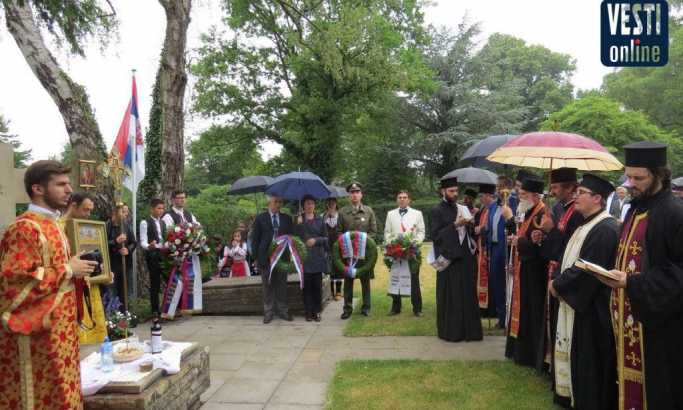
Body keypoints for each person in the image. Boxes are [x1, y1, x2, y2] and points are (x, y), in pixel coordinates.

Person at [0, 160, 99, 409]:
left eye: (69, 184)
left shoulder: (53, 225)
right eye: (61, 184)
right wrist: (68, 269)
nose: (69, 190)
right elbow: (13, 282)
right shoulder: (25, 228)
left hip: (61, 333)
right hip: (37, 339)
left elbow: (57, 274)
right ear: (38, 189)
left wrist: (75, 269)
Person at [596, 142, 683, 410]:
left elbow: (678, 273)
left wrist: (630, 282)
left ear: (660, 175)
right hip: (627, 318)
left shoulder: (674, 213)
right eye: (628, 176)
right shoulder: (635, 209)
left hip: (660, 328)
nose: (630, 184)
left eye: (638, 178)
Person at [546, 174, 619, 409]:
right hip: (579, 305)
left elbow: (587, 270)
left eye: (582, 193)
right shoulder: (585, 224)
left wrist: (558, 285)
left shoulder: (605, 229)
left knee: (590, 360)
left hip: (592, 309)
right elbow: (570, 261)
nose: (576, 196)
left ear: (597, 198)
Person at [535, 168, 583, 373]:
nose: (552, 191)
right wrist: (543, 236)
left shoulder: (576, 212)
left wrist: (550, 231)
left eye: (555, 187)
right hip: (555, 271)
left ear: (570, 187)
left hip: (566, 275)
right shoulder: (562, 208)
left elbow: (567, 248)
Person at [430, 176, 483, 342]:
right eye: (451, 191)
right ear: (443, 191)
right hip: (450, 258)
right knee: (452, 295)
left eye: (456, 191)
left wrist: (472, 224)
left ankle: (470, 332)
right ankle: (452, 332)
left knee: (467, 293)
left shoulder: (462, 208)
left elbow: (471, 233)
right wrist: (455, 225)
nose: (454, 194)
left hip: (466, 257)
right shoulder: (436, 211)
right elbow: (436, 236)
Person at [505, 176, 549, 367]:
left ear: (535, 196)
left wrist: (519, 242)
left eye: (523, 194)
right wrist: (516, 239)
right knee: (523, 309)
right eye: (519, 193)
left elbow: (539, 244)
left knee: (532, 310)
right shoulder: (528, 210)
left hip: (535, 272)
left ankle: (531, 354)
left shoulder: (542, 213)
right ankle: (519, 351)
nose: (519, 197)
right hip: (524, 268)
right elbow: (526, 236)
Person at [59, 191, 111, 345]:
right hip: (70, 289)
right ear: (73, 205)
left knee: (94, 342)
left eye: (90, 210)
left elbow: (93, 254)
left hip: (89, 286)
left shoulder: (85, 227)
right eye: (85, 210)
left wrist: (104, 271)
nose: (89, 214)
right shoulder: (57, 228)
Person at [252, 195, 294, 323]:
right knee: (267, 286)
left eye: (280, 202)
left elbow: (291, 238)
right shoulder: (260, 218)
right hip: (265, 258)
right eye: (276, 201)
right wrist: (255, 257)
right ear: (269, 202)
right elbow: (255, 240)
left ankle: (283, 311)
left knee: (282, 285)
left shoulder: (287, 219)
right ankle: (268, 312)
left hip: (282, 258)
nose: (278, 204)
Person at [339, 182, 378, 319]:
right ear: (349, 195)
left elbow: (373, 232)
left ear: (361, 194)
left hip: (364, 255)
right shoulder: (343, 212)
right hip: (348, 255)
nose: (354, 194)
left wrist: (362, 240)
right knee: (348, 282)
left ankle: (366, 307)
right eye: (352, 192)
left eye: (357, 192)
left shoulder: (368, 211)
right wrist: (347, 242)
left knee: (365, 282)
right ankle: (347, 309)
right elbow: (339, 232)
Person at [384, 190, 426, 317]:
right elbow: (387, 232)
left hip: (412, 250)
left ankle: (417, 308)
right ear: (397, 200)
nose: (402, 199)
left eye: (405, 197)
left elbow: (421, 232)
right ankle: (396, 307)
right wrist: (392, 243)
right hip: (395, 252)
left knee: (414, 279)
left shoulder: (417, 214)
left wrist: (414, 243)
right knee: (396, 278)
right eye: (400, 197)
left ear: (409, 200)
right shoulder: (390, 214)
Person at [295, 195, 329, 322]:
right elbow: (295, 238)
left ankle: (317, 311)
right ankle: (308, 312)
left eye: (312, 203)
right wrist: (298, 225)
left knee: (317, 286)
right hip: (304, 258)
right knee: (306, 287)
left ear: (314, 205)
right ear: (303, 205)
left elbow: (326, 238)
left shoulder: (320, 220)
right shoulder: (299, 220)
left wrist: (315, 240)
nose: (309, 205)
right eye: (307, 203)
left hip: (317, 258)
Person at [106, 202, 137, 310]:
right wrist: (115, 241)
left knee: (125, 291)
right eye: (123, 211)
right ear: (116, 212)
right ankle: (113, 316)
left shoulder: (127, 226)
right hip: (112, 265)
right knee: (112, 291)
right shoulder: (108, 226)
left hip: (125, 264)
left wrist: (128, 249)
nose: (126, 214)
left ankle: (125, 314)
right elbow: (103, 244)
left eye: (127, 212)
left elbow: (133, 242)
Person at [139, 198, 167, 317]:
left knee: (170, 281)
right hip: (153, 255)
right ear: (152, 209)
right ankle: (155, 310)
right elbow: (143, 242)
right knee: (155, 283)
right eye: (158, 208)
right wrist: (149, 246)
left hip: (164, 254)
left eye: (162, 208)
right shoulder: (145, 222)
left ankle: (169, 307)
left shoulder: (163, 222)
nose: (161, 211)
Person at [323, 197, 343, 300]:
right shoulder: (323, 216)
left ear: (336, 203)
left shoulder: (340, 216)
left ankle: (339, 291)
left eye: (333, 203)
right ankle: (330, 292)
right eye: (329, 203)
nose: (331, 204)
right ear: (327, 204)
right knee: (329, 268)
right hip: (327, 246)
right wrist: (327, 215)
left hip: (338, 245)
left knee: (338, 267)